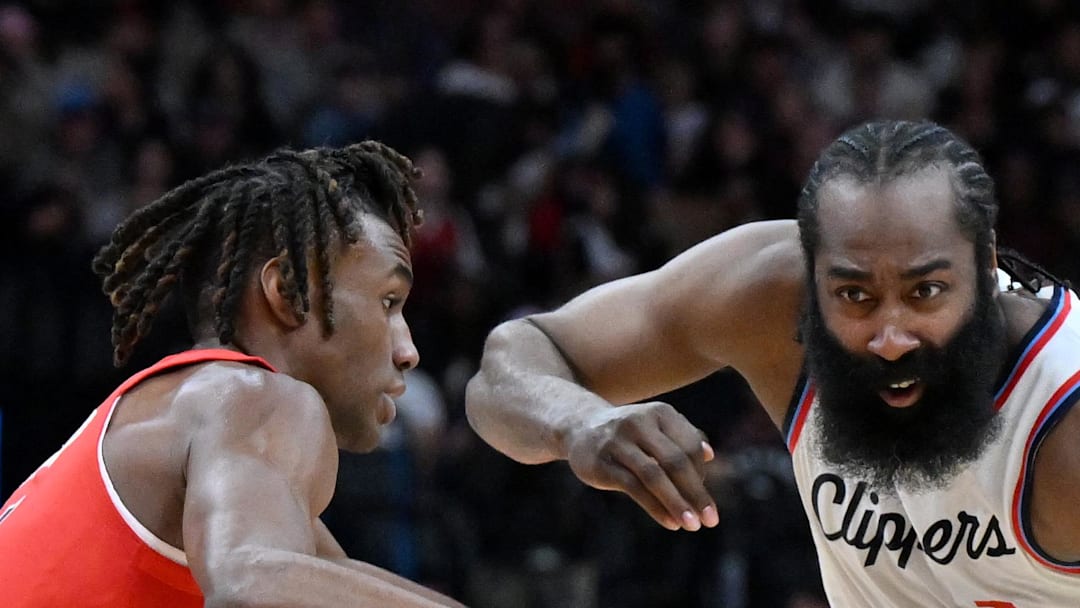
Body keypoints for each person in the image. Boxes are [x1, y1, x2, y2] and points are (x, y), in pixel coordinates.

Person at [465, 119, 1080, 606]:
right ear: (809, 279)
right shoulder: (767, 295)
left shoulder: (1064, 428)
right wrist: (580, 422)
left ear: (985, 263)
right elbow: (511, 363)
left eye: (925, 292)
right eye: (854, 296)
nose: (891, 337)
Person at [0, 141, 467, 607]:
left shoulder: (184, 415)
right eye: (388, 302)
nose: (408, 351)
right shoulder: (251, 395)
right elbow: (249, 586)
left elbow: (327, 577)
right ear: (288, 292)